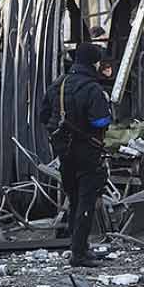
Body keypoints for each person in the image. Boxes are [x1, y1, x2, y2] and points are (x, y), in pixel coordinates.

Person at [42, 43, 112, 268]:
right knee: (86, 201)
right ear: (93, 63)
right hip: (88, 151)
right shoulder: (92, 89)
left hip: (64, 152)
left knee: (73, 200)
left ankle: (78, 247)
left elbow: (44, 116)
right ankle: (79, 253)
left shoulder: (58, 85)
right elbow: (100, 121)